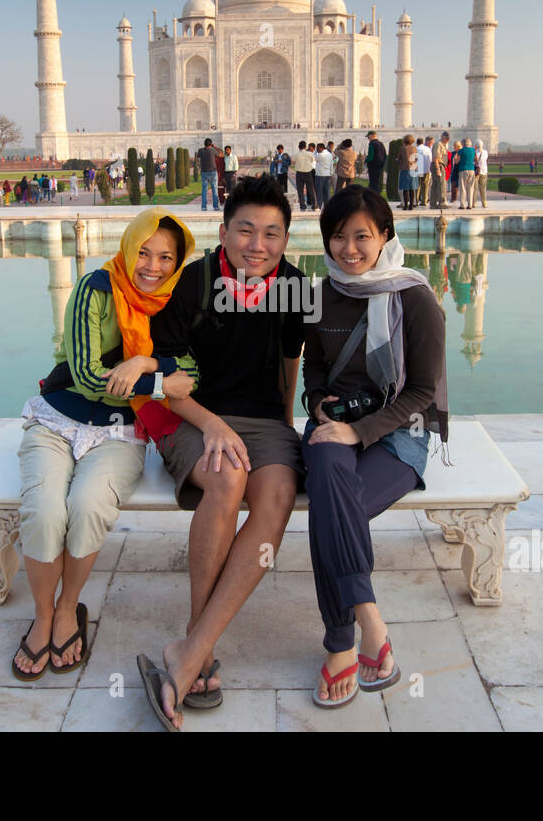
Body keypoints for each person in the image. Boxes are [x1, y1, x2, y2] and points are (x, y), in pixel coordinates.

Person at [139, 177, 307, 730]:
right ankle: (198, 643)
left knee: (277, 492)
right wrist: (212, 426)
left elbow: (290, 362)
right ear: (224, 231)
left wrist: (283, 432)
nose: (257, 245)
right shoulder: (198, 280)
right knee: (228, 477)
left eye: (271, 234)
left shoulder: (292, 285)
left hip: (261, 420)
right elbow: (166, 378)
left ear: (285, 240)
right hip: (191, 414)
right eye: (246, 230)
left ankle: (186, 651)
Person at [14, 208, 198, 681]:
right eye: (144, 252)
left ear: (178, 263)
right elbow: (89, 375)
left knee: (89, 505)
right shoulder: (95, 288)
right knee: (45, 512)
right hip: (59, 418)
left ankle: (68, 608)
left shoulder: (176, 300)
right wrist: (159, 383)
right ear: (128, 246)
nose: (152, 267)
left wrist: (142, 361)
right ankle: (41, 614)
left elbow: (193, 372)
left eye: (165, 257)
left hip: (122, 429)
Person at [301, 186, 448, 708]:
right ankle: (371, 624)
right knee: (328, 473)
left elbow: (423, 392)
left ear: (385, 235)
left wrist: (360, 432)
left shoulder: (414, 297)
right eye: (337, 237)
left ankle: (341, 643)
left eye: (361, 236)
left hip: (398, 433)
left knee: (331, 511)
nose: (349, 249)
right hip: (333, 422)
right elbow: (314, 364)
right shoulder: (322, 293)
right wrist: (317, 402)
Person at [195, 138, 221, 212]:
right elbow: (221, 154)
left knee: (204, 190)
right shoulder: (212, 150)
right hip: (212, 172)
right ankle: (215, 206)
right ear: (210, 144)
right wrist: (214, 146)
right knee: (214, 190)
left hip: (204, 172)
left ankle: (204, 207)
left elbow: (197, 158)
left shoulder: (201, 150)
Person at [294, 140, 316, 211]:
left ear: (298, 147)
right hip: (308, 173)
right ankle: (314, 205)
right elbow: (312, 160)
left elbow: (293, 161)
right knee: (311, 190)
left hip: (299, 173)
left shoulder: (296, 154)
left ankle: (302, 206)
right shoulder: (309, 154)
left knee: (300, 190)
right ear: (305, 146)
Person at [430, 132, 450, 210]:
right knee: (441, 185)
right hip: (438, 166)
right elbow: (436, 157)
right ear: (443, 137)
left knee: (435, 185)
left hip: (438, 166)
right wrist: (438, 168)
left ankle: (433, 203)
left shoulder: (441, 145)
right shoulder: (439, 144)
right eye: (446, 139)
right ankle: (442, 203)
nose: (447, 140)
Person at [397, 134, 417, 210]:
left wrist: (399, 163)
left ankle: (405, 205)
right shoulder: (414, 148)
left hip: (404, 169)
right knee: (412, 188)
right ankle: (411, 205)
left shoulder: (402, 148)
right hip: (413, 169)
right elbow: (416, 158)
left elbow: (399, 159)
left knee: (405, 189)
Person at [313, 140, 334, 209]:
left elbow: (314, 158)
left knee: (319, 191)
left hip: (320, 175)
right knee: (327, 191)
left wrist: (315, 152)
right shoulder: (330, 154)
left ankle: (319, 205)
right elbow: (331, 164)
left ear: (321, 148)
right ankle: (327, 205)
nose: (317, 149)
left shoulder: (320, 155)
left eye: (318, 148)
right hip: (327, 174)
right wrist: (331, 173)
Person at [415, 137, 432, 207]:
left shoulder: (416, 149)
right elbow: (430, 159)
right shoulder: (428, 149)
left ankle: (416, 201)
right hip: (426, 169)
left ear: (417, 143)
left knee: (417, 185)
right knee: (425, 186)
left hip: (418, 169)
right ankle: (424, 201)